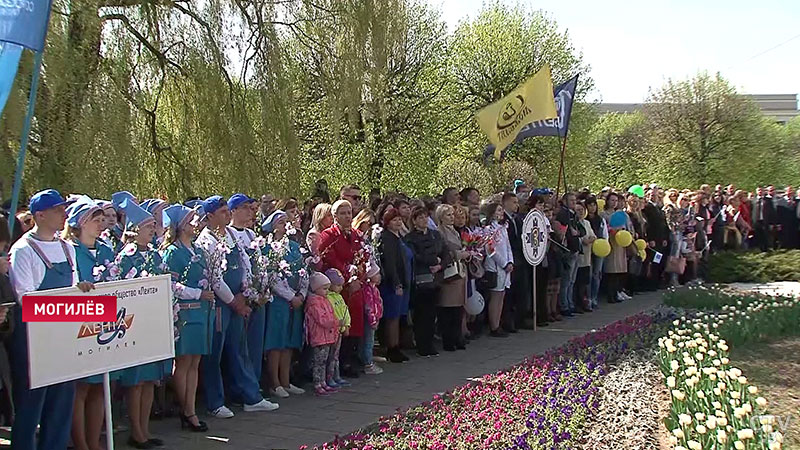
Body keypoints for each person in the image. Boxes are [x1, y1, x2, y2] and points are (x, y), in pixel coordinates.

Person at [9, 189, 91, 450]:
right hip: (34, 337)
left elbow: (74, 285)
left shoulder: (67, 247)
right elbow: (26, 300)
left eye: (63, 208)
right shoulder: (23, 250)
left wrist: (83, 293)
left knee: (62, 402)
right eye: (57, 210)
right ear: (40, 215)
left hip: (64, 334)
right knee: (31, 404)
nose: (63, 214)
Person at [196, 195, 278, 420]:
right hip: (221, 304)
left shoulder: (231, 235)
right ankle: (215, 402)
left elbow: (244, 264)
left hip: (238, 300)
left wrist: (246, 291)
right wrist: (233, 300)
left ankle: (250, 396)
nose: (226, 214)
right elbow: (214, 277)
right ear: (210, 216)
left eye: (226, 210)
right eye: (222, 212)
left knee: (239, 349)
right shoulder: (206, 240)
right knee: (215, 353)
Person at [62, 199, 119, 450]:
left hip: (107, 323)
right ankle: (80, 442)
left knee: (100, 386)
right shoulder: (69, 250)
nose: (101, 225)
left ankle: (95, 441)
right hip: (80, 323)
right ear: (79, 224)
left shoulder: (106, 250)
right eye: (95, 221)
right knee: (81, 387)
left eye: (101, 220)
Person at [115, 200, 172, 449]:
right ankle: (136, 431)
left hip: (152, 322)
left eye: (152, 225)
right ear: (134, 229)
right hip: (132, 325)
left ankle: (145, 430)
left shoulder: (154, 254)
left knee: (149, 379)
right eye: (147, 225)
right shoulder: (125, 257)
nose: (152, 229)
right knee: (136, 381)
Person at [161, 204, 213, 433]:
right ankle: (186, 410)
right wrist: (197, 293)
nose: (196, 223)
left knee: (195, 362)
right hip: (183, 311)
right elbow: (171, 285)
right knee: (183, 362)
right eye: (191, 220)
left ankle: (191, 407)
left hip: (201, 310)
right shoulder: (172, 252)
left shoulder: (199, 251)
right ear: (180, 225)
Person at [261, 210, 308, 398]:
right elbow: (272, 277)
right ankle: (275, 383)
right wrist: (290, 296)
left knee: (289, 341)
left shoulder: (296, 247)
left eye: (286, 222)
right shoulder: (268, 248)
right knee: (276, 342)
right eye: (280, 222)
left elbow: (304, 271)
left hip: (296, 299)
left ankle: (286, 380)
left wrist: (302, 294)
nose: (284, 225)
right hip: (279, 301)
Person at [318, 200, 367, 377]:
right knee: (341, 323)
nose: (347, 216)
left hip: (355, 288)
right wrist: (347, 278)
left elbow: (362, 257)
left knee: (355, 322)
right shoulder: (328, 235)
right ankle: (339, 363)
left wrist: (359, 277)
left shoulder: (356, 235)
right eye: (343, 213)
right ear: (335, 216)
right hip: (339, 288)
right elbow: (330, 259)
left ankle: (353, 357)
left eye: (349, 212)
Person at [404, 205, 448, 355]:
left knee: (432, 313)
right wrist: (431, 260)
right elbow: (415, 257)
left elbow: (446, 253)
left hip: (436, 279)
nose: (424, 220)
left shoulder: (435, 235)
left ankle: (429, 343)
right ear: (414, 221)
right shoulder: (410, 238)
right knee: (421, 314)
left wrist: (440, 265)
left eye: (425, 217)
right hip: (421, 280)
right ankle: (422, 345)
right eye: (420, 218)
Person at [377, 206, 410, 363]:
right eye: (394, 220)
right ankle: (392, 347)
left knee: (397, 316)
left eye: (399, 219)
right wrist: (396, 283)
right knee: (392, 316)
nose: (398, 222)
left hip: (402, 282)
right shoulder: (387, 238)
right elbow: (390, 263)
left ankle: (396, 345)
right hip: (391, 284)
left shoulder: (397, 237)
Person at [435, 204, 468, 351]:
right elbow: (443, 251)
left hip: (459, 270)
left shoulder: (454, 230)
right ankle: (448, 339)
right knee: (448, 308)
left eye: (452, 215)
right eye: (448, 215)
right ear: (441, 217)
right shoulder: (439, 232)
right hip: (448, 273)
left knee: (458, 308)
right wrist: (457, 254)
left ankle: (457, 337)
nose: (451, 217)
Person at [304, 272, 340, 395]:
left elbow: (331, 313)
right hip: (319, 337)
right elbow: (322, 319)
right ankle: (317, 382)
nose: (326, 291)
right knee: (318, 361)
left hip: (327, 336)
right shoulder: (314, 303)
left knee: (324, 361)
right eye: (324, 288)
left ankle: (324, 381)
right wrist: (335, 322)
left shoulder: (324, 300)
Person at [482, 202, 513, 337]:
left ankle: (498, 322)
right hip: (495, 266)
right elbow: (490, 249)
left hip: (505, 266)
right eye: (499, 210)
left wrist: (510, 262)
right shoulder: (489, 229)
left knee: (502, 295)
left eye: (502, 210)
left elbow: (507, 247)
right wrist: (503, 263)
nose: (501, 213)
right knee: (495, 296)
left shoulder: (503, 228)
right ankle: (493, 326)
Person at [501, 192, 530, 331]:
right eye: (513, 202)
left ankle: (521, 319)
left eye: (517, 202)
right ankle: (508, 321)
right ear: (505, 203)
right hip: (509, 258)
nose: (516, 205)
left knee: (521, 291)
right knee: (509, 293)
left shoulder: (518, 219)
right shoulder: (503, 219)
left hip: (521, 258)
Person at [555, 193, 583, 316]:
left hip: (576, 249)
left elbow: (582, 230)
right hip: (568, 249)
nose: (573, 202)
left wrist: (577, 232)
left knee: (572, 280)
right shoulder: (563, 214)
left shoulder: (573, 214)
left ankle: (570, 303)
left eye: (574, 200)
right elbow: (566, 232)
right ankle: (564, 305)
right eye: (571, 200)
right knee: (566, 280)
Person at [324, 268, 351, 387]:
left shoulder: (339, 297)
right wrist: (337, 323)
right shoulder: (328, 298)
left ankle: (336, 376)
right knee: (329, 357)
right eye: (338, 285)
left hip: (340, 331)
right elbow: (332, 313)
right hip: (331, 331)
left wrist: (346, 325)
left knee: (335, 356)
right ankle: (328, 378)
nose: (340, 288)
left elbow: (345, 311)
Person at [641, 187, 669, 290]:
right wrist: (650, 239)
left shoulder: (659, 208)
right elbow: (648, 225)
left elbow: (663, 224)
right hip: (653, 239)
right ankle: (651, 283)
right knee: (653, 262)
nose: (654, 197)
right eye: (651, 195)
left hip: (660, 238)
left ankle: (657, 281)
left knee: (659, 260)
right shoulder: (647, 208)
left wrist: (665, 238)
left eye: (655, 195)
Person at [584, 196, 607, 310]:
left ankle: (594, 297)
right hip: (588, 248)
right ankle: (587, 298)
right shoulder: (585, 220)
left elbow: (604, 233)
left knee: (596, 274)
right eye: (590, 205)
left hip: (599, 248)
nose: (592, 208)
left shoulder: (600, 219)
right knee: (589, 274)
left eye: (594, 205)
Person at [361, 262, 384, 373]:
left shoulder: (374, 289)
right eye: (377, 274)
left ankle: (367, 360)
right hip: (370, 320)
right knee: (368, 342)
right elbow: (369, 307)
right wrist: (373, 320)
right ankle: (367, 363)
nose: (379, 276)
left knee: (369, 341)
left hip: (375, 318)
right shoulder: (368, 290)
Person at [574, 202, 596, 312]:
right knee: (577, 282)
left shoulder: (587, 222)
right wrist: (584, 240)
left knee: (585, 282)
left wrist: (590, 239)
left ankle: (584, 302)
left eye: (582, 209)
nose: (580, 212)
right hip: (579, 256)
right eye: (578, 210)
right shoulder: (574, 223)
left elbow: (593, 235)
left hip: (587, 256)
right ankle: (577, 303)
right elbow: (579, 237)